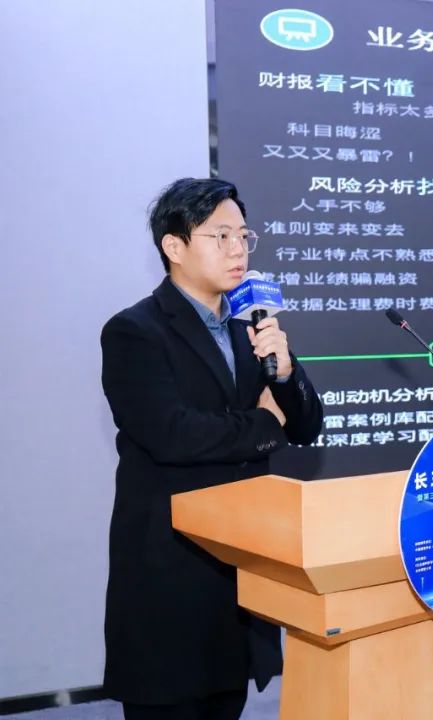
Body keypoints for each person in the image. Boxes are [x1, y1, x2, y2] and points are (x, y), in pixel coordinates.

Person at [100, 178, 324, 719]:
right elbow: (173, 435)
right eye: (220, 236)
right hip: (171, 570)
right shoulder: (134, 332)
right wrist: (263, 423)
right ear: (173, 247)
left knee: (228, 702)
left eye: (244, 236)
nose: (238, 249)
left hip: (240, 567)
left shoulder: (252, 328)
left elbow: (306, 426)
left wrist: (285, 372)